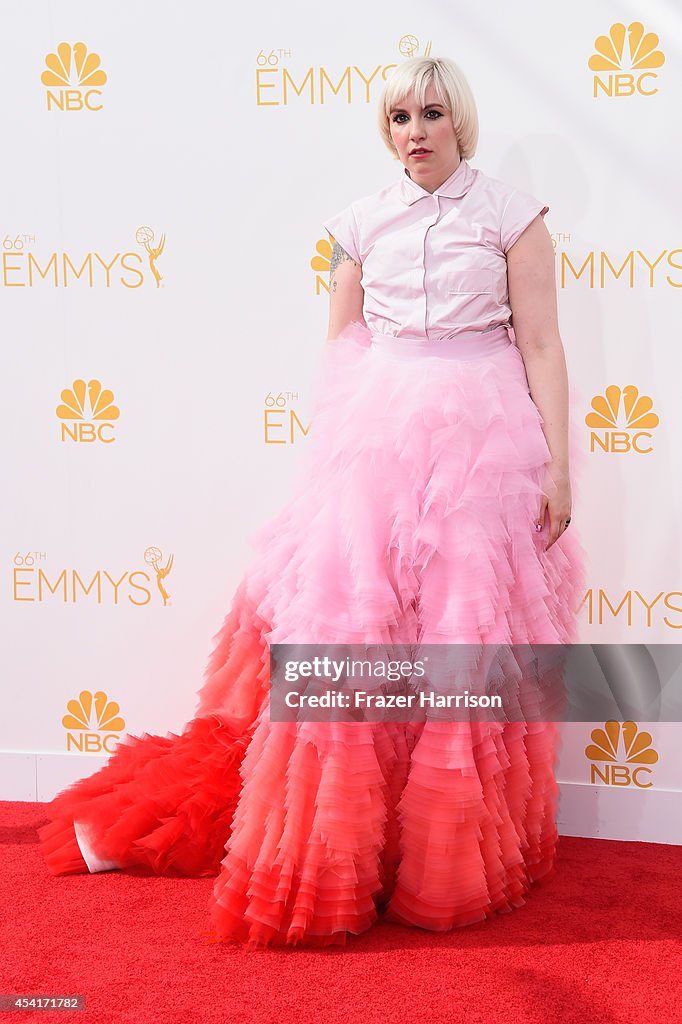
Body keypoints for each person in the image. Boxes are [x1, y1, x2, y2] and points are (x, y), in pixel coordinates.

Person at [38, 55, 586, 949]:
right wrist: (329, 471)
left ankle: (445, 849)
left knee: (463, 635)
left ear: (461, 122)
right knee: (353, 635)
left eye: (431, 114)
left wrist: (561, 467)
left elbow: (544, 345)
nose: (414, 132)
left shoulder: (513, 218)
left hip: (487, 441)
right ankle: (345, 853)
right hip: (375, 438)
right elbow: (341, 353)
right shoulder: (359, 224)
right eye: (399, 117)